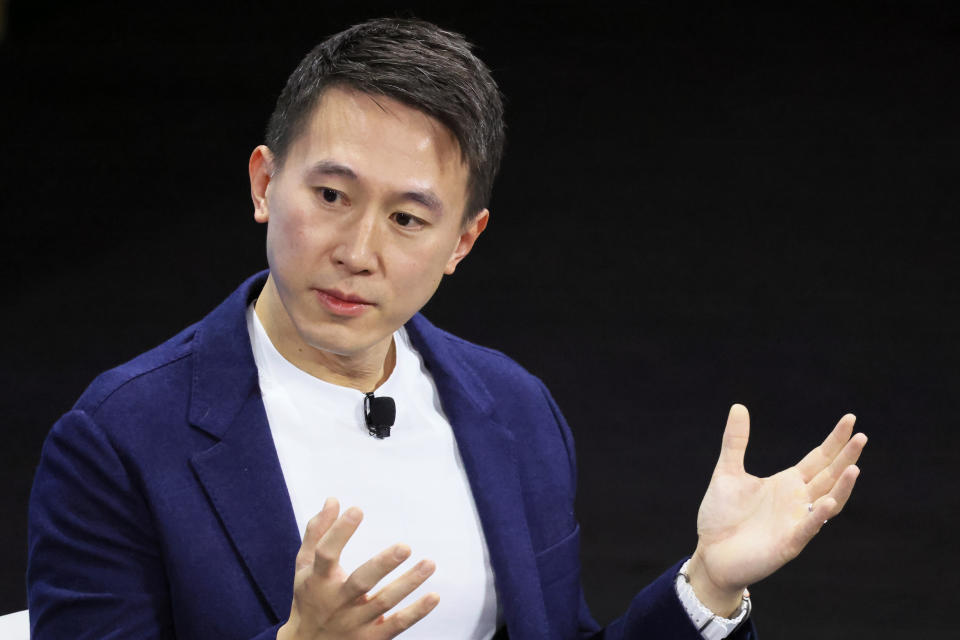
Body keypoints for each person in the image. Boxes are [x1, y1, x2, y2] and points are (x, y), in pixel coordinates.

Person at [26, 17, 867, 640]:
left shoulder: (513, 408)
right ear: (263, 182)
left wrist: (708, 583)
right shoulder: (119, 439)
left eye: (408, 219)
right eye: (330, 196)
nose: (357, 252)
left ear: (463, 241)